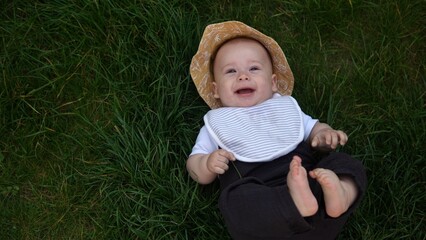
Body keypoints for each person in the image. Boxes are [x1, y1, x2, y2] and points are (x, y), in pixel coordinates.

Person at [187, 21, 367, 240]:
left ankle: (341, 194)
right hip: (265, 204)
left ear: (273, 83)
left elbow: (313, 130)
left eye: (253, 68)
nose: (243, 76)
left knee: (345, 164)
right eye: (231, 71)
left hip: (313, 189)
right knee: (236, 200)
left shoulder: (283, 108)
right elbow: (194, 167)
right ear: (215, 90)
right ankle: (296, 204)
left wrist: (323, 135)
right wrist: (206, 164)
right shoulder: (217, 124)